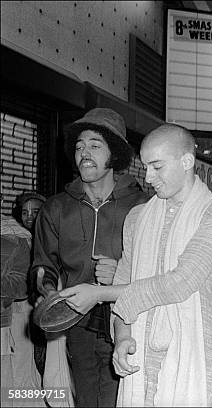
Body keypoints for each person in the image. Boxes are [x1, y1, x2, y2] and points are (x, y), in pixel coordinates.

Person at [59, 124, 212, 406]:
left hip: (199, 359)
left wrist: (98, 293)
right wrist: (121, 337)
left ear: (186, 162)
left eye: (157, 167)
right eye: (145, 167)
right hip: (141, 362)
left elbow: (181, 282)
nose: (149, 177)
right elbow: (124, 284)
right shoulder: (138, 217)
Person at [31, 108, 149, 407]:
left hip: (128, 321)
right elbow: (42, 266)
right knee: (86, 400)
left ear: (115, 155)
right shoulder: (56, 208)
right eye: (80, 146)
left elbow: (160, 268)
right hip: (77, 324)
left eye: (95, 145)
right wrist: (48, 293)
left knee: (122, 400)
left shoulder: (143, 206)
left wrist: (123, 271)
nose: (84, 153)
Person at [2, 210, 43, 407]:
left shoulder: (14, 236)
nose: (30, 216)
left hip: (16, 320)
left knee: (17, 381)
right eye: (25, 211)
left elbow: (21, 285)